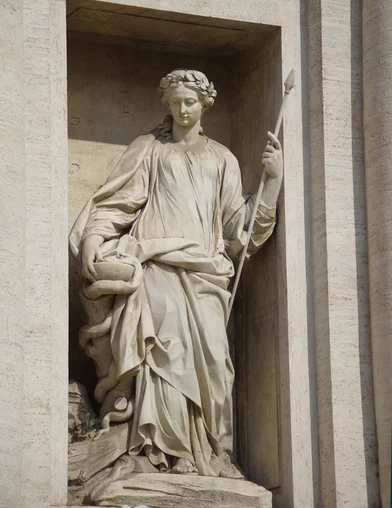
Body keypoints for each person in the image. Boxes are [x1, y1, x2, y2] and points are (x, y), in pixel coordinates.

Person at [69, 69, 283, 478]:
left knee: (215, 362)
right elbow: (119, 202)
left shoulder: (222, 158)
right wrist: (96, 236)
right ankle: (163, 452)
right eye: (176, 102)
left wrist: (271, 183)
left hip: (205, 272)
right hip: (157, 266)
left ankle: (212, 452)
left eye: (190, 101)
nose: (183, 109)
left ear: (205, 104)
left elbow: (239, 229)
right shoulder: (148, 148)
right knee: (164, 356)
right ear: (166, 105)